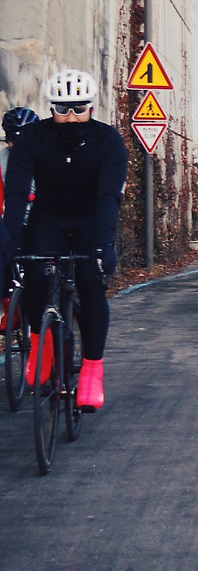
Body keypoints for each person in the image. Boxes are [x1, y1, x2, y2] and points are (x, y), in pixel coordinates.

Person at [1, 70, 127, 411]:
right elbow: (16, 191)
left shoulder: (108, 141)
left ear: (90, 107)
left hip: (91, 220)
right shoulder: (33, 137)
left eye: (79, 108)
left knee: (90, 281)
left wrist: (104, 242)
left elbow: (109, 196)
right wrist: (9, 240)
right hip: (49, 219)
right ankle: (41, 347)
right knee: (35, 278)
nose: (71, 117)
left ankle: (92, 370)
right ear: (51, 108)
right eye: (62, 109)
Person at [1, 106, 38, 316]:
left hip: (41, 220)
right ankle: (10, 310)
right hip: (12, 220)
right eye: (12, 139)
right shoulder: (2, 159)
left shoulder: (45, 156)